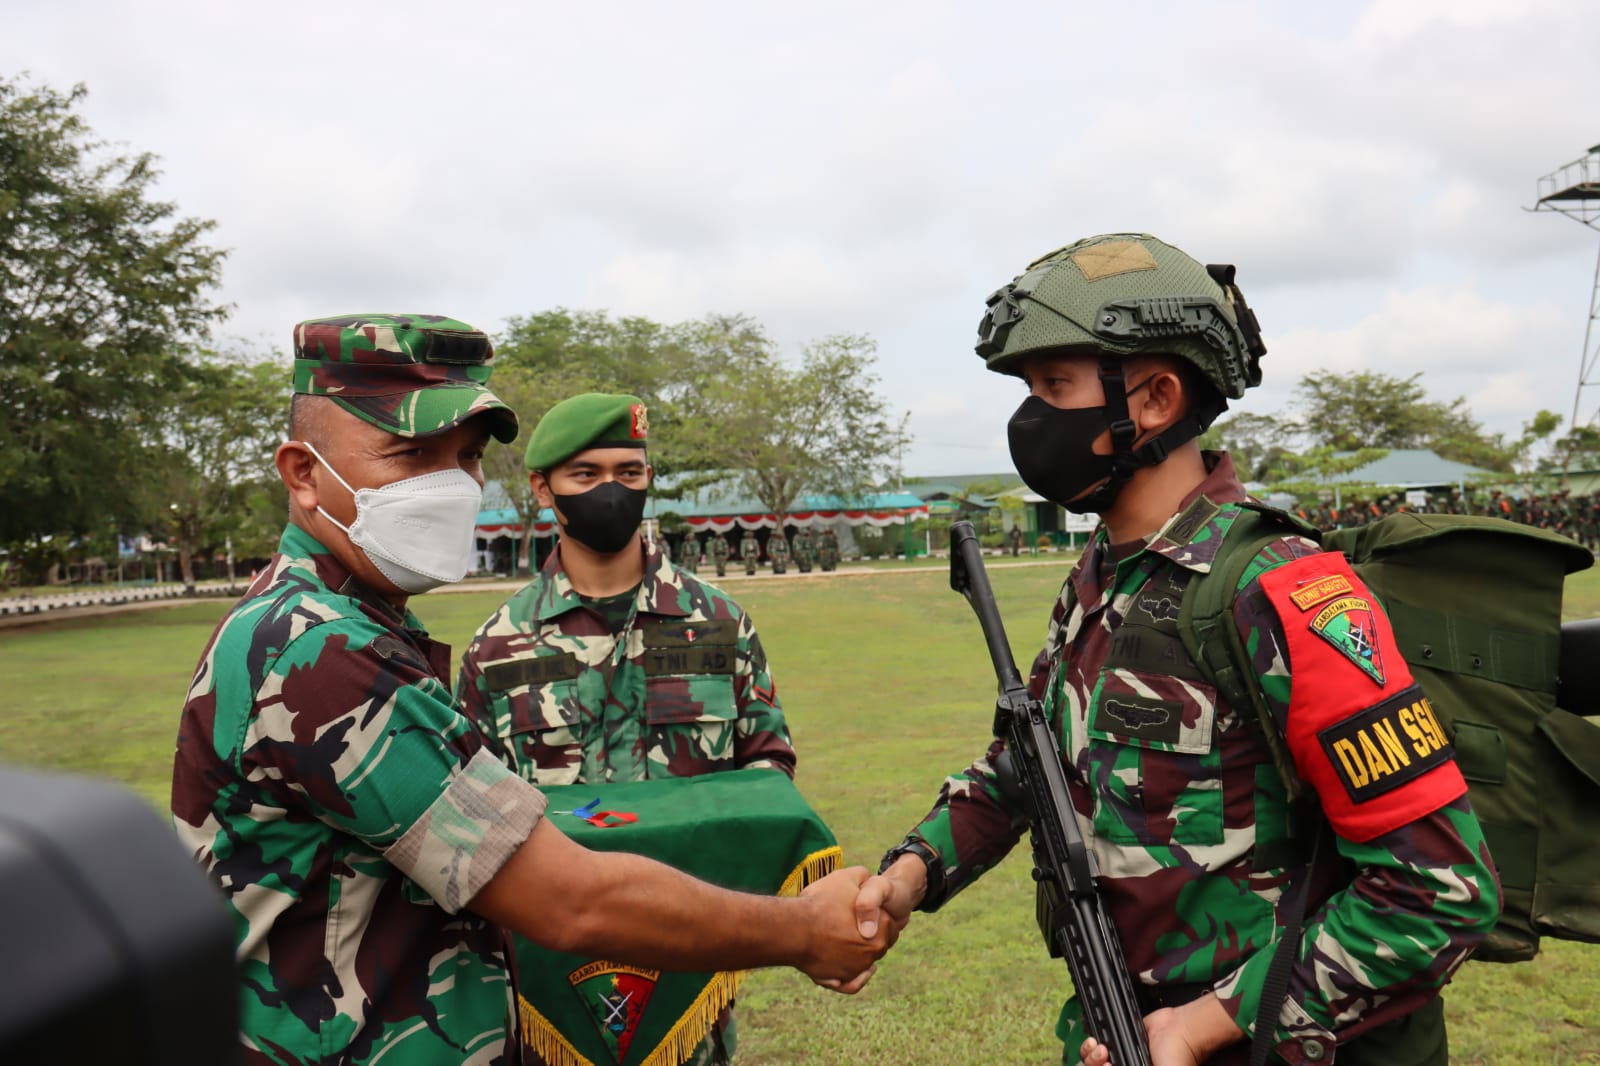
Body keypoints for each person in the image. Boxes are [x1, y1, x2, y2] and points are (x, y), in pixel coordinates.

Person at [169, 316, 896, 1066]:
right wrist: (806, 931)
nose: (450, 486)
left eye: (467, 457)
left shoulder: (344, 625)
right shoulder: (320, 651)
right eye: (410, 454)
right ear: (303, 472)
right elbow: (567, 898)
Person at [860, 236, 1498, 1066]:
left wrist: (1201, 1027)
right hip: (1125, 1025)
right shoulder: (1102, 577)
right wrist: (909, 875)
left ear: (1157, 398)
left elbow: (1437, 893)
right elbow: (1031, 768)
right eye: (1027, 390)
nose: (1030, 417)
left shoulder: (1279, 589)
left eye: (1055, 385)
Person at [454, 392, 797, 1064]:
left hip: (690, 954)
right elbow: (472, 815)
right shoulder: (497, 646)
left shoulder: (717, 622)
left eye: (629, 473)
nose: (611, 491)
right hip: (546, 978)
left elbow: (767, 771)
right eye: (586, 476)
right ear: (541, 487)